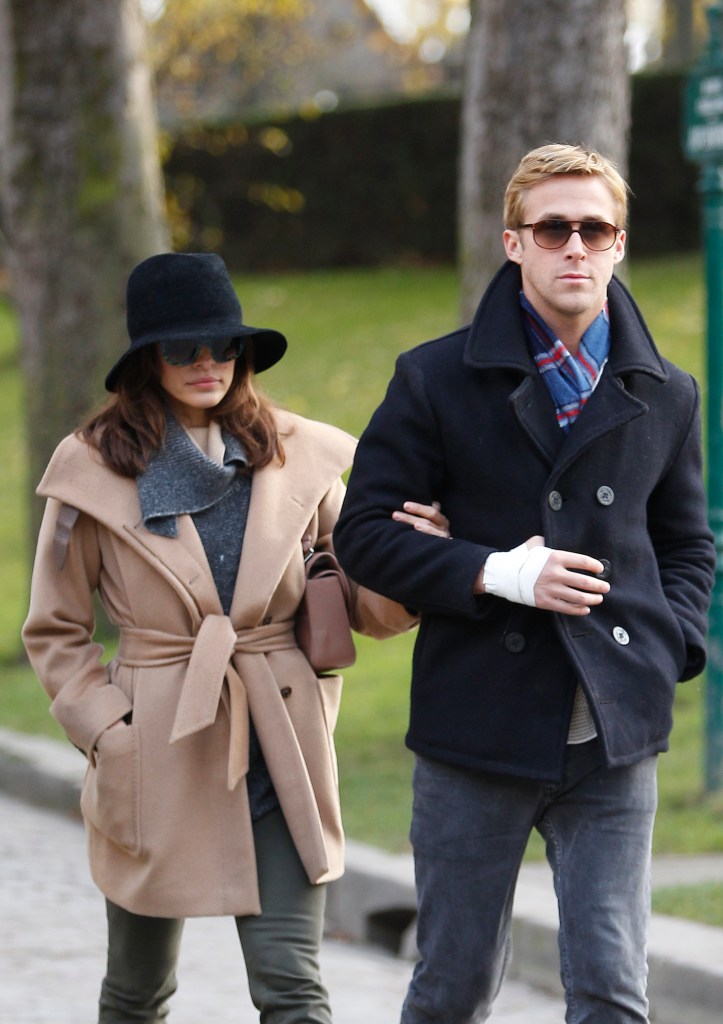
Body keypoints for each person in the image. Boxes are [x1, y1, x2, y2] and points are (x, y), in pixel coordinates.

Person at [333, 144, 715, 1024]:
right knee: (455, 989)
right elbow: (363, 537)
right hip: (477, 732)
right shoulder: (433, 377)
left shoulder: (667, 393)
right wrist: (500, 571)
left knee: (614, 993)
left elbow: (687, 545)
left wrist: (668, 648)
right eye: (553, 228)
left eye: (595, 229)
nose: (574, 246)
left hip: (612, 738)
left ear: (619, 244)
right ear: (515, 243)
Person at [21, 251, 448, 1023]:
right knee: (136, 992)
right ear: (147, 360)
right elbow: (55, 628)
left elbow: (360, 598)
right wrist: (106, 731)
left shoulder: (297, 455)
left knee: (291, 986)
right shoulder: (91, 467)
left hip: (278, 736)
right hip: (154, 744)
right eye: (183, 348)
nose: (206, 363)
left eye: (223, 345)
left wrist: (416, 558)